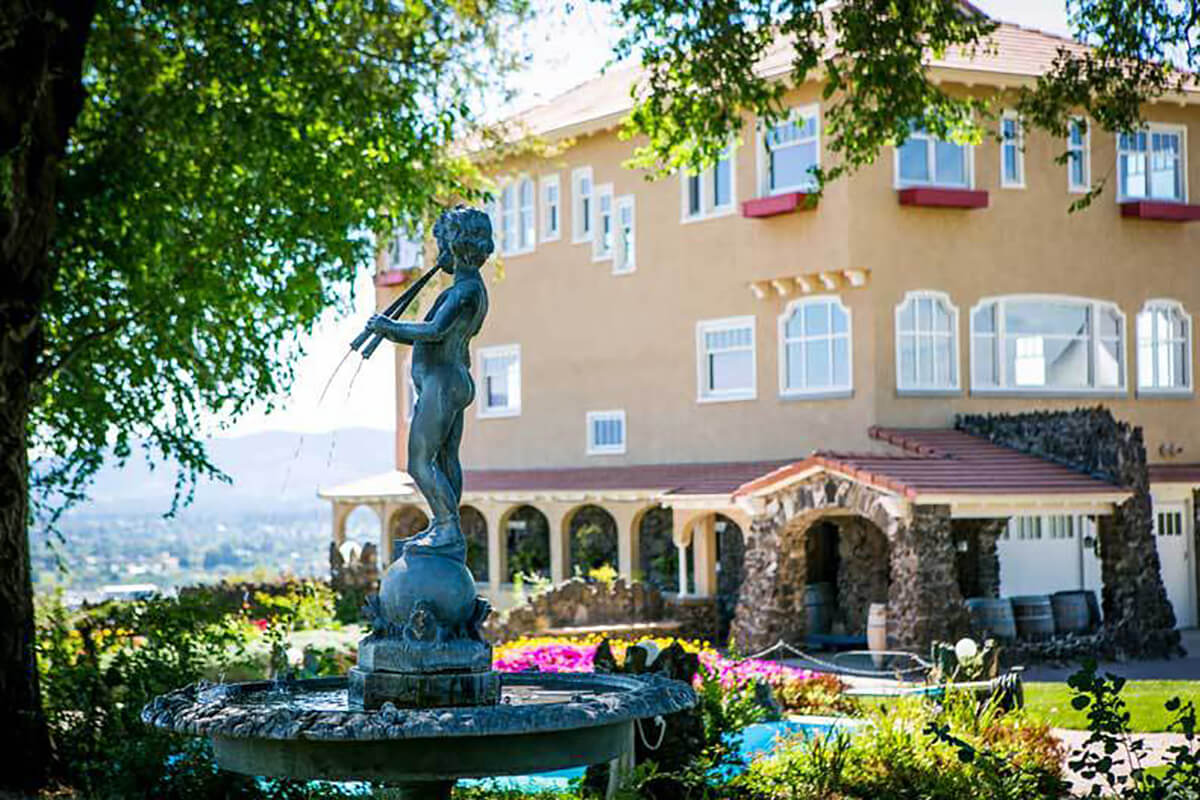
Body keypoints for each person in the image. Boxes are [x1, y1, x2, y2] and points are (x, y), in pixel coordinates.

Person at [367, 205, 492, 561]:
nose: (438, 254)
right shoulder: (471, 289)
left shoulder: (463, 292)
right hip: (455, 380)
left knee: (419, 462)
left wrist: (387, 327)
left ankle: (447, 524)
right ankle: (445, 527)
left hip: (442, 383)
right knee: (446, 456)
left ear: (456, 246)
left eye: (441, 244)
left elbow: (434, 332)